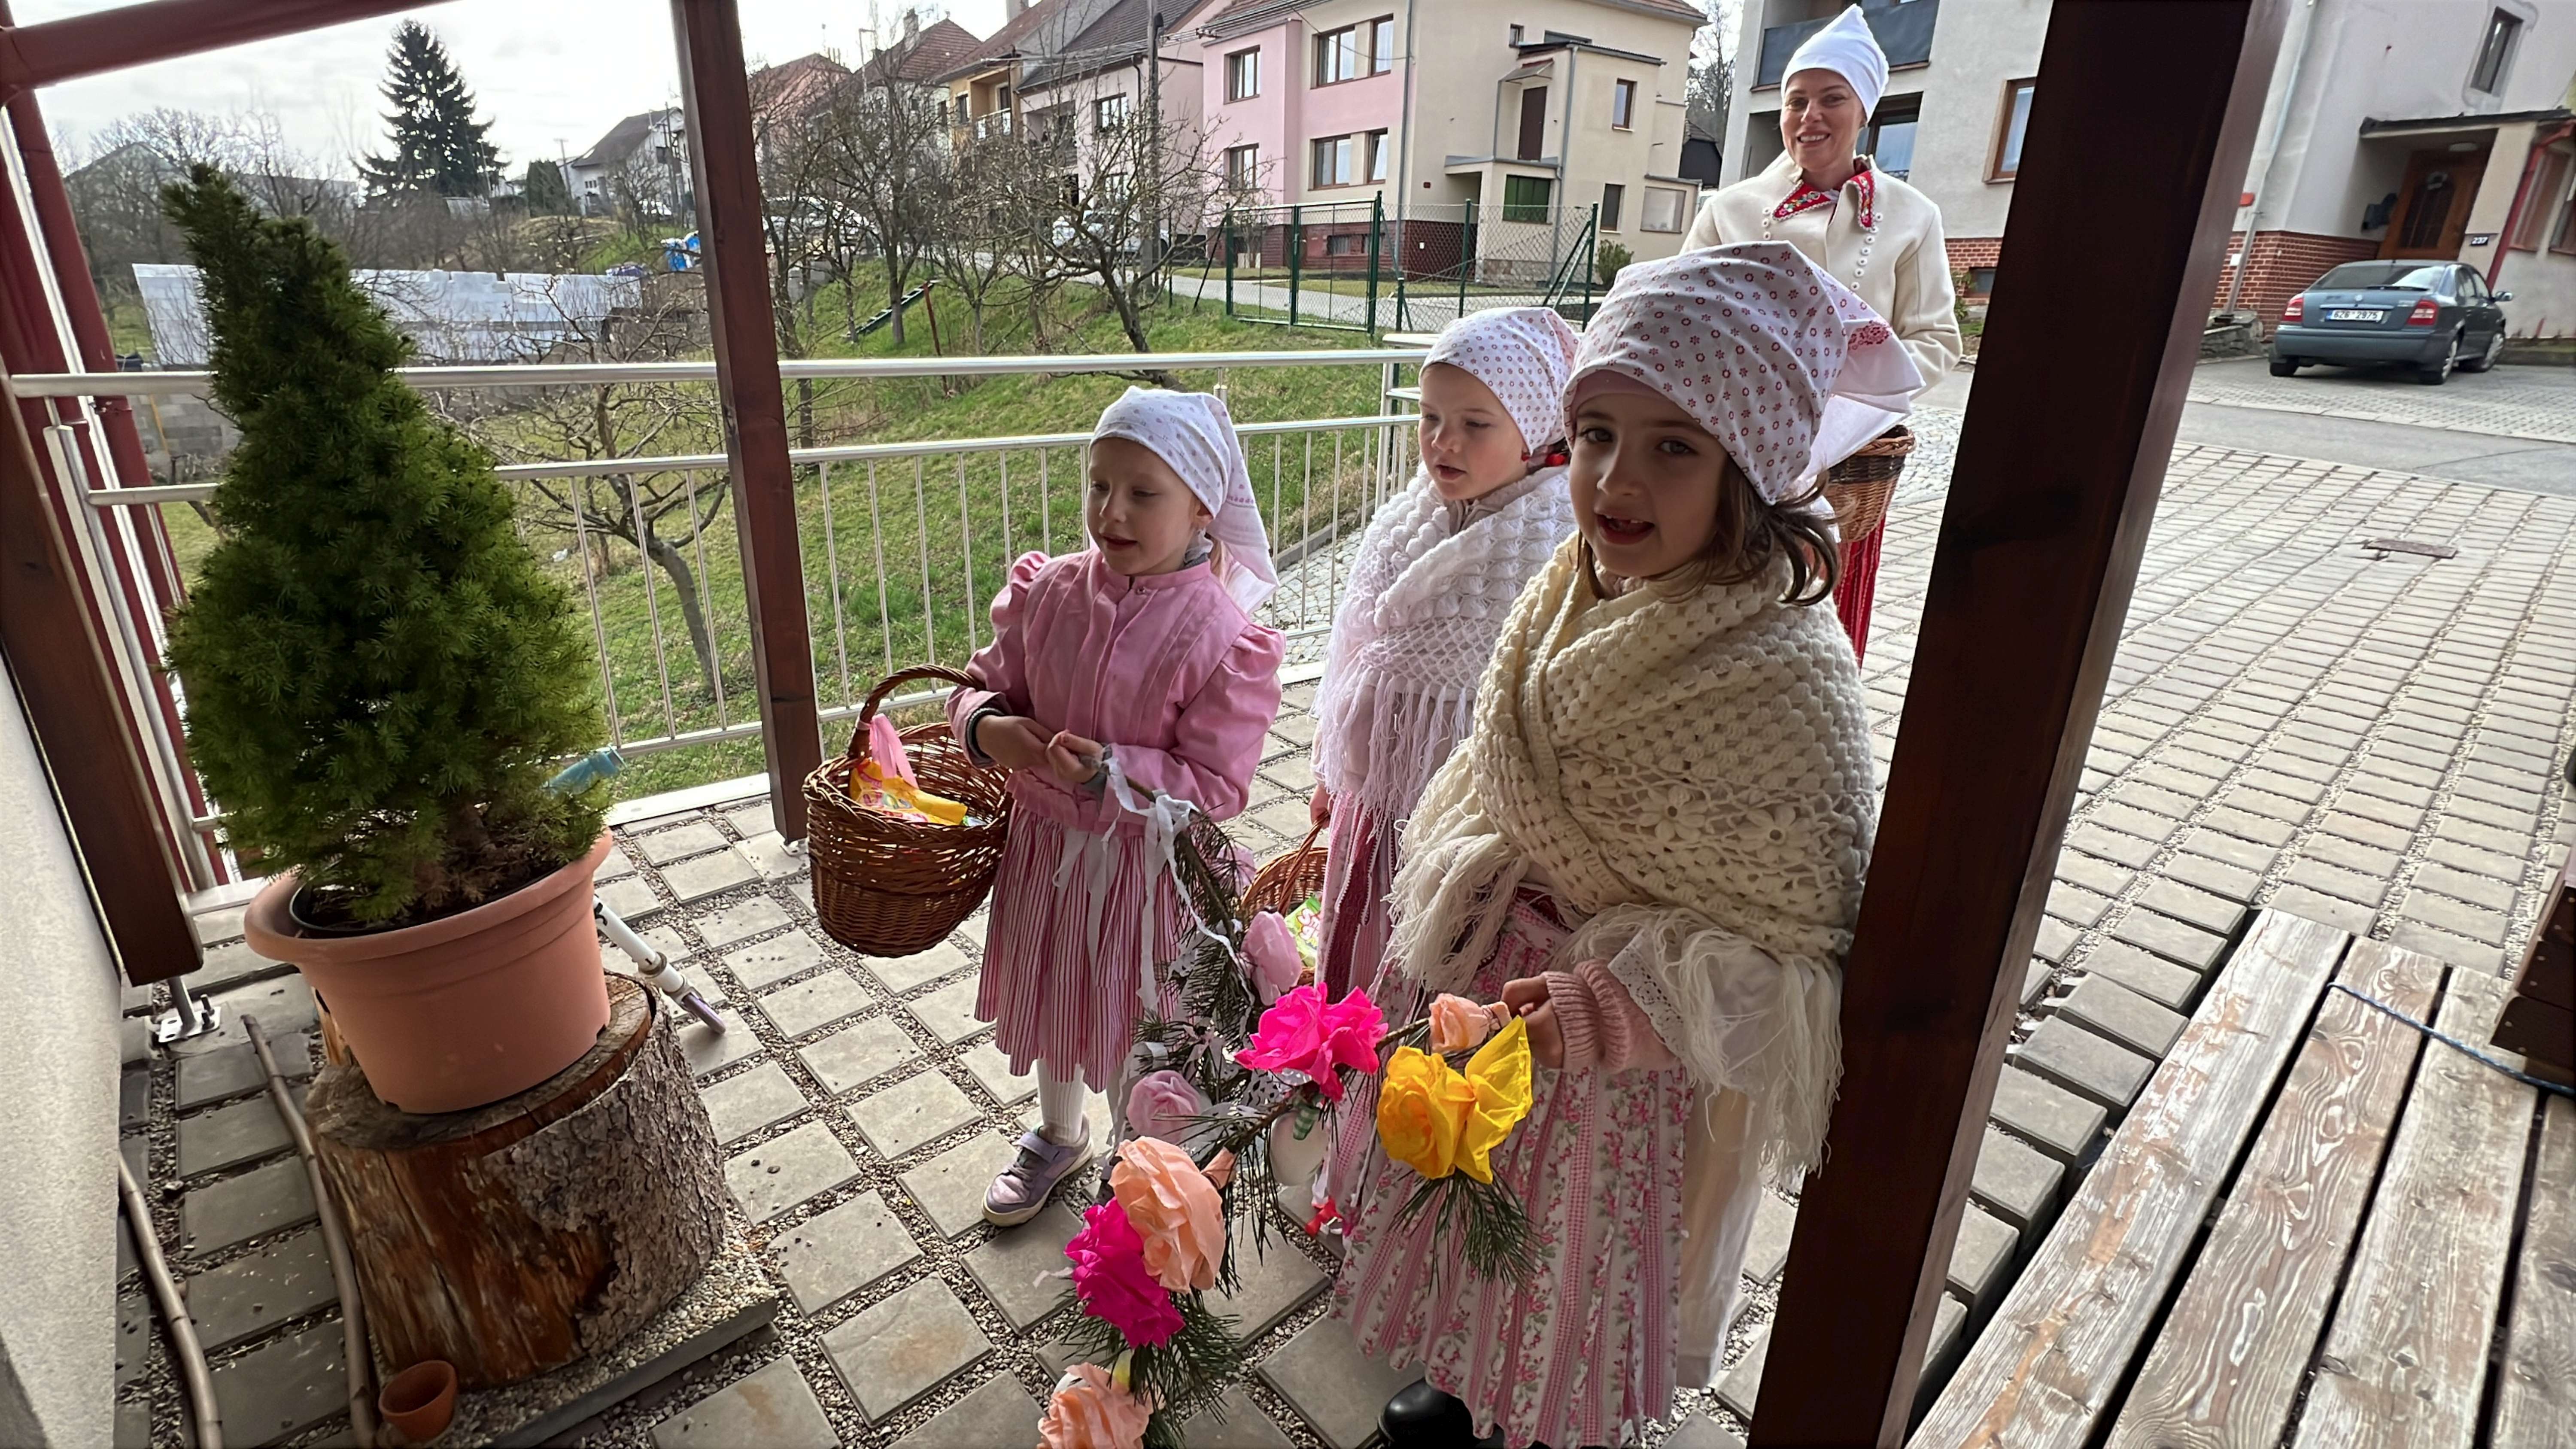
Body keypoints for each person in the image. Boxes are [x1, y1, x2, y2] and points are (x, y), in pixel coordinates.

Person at [1330, 244, 1913, 1449]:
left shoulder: (1784, 675)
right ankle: (1466, 1381)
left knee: (1567, 1256)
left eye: (1674, 447)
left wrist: (1610, 1004)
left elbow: (1795, 952)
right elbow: (1498, 767)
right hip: (1495, 986)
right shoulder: (1567, 586)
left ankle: (1542, 1416)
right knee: (1474, 1206)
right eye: (1597, 432)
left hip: (1623, 1063)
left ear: (1751, 461)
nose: (1617, 478)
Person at [948, 386, 1286, 1226]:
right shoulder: (1048, 591)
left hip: (1148, 872)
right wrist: (992, 729)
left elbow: (1218, 783)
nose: (1113, 511)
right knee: (1056, 987)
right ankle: (1058, 1131)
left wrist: (1117, 773)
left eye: (1143, 492)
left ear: (1203, 508)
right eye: (1100, 485)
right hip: (1046, 851)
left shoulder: (1223, 636)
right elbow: (977, 688)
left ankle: (1134, 1153)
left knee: (1131, 1015)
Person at [1308, 307, 1581, 1005]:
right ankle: (1344, 1059)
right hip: (1375, 803)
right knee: (1358, 943)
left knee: (1428, 973)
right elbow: (1353, 649)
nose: (1443, 442)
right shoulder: (1408, 516)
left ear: (1535, 427)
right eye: (1430, 418)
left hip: (1465, 826)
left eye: (1474, 424)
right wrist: (1329, 771)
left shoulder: (1556, 542)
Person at [1681, 3, 1960, 659]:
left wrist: (1855, 397)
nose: (1810, 116)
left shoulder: (1912, 216)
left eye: (1832, 98)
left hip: (1849, 463)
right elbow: (1680, 318)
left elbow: (1936, 339)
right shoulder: (1730, 208)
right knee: (1720, 614)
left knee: (1822, 624)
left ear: (1864, 110)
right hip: (1736, 453)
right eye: (1796, 100)